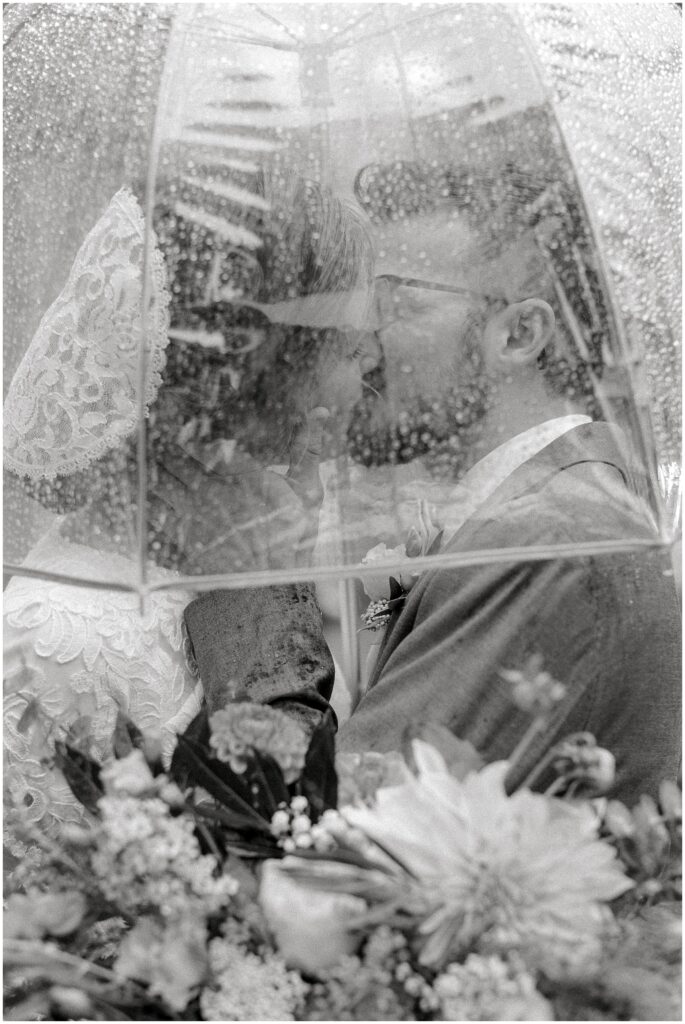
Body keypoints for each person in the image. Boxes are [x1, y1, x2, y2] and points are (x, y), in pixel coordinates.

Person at [184, 161, 681, 805]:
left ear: (519, 334)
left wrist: (255, 571)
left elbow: (350, 827)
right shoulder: (546, 506)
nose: (364, 346)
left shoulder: (548, 540)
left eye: (394, 303)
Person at [3, 180, 375, 836]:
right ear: (251, 376)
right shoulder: (50, 639)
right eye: (347, 349)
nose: (364, 380)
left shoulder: (246, 542)